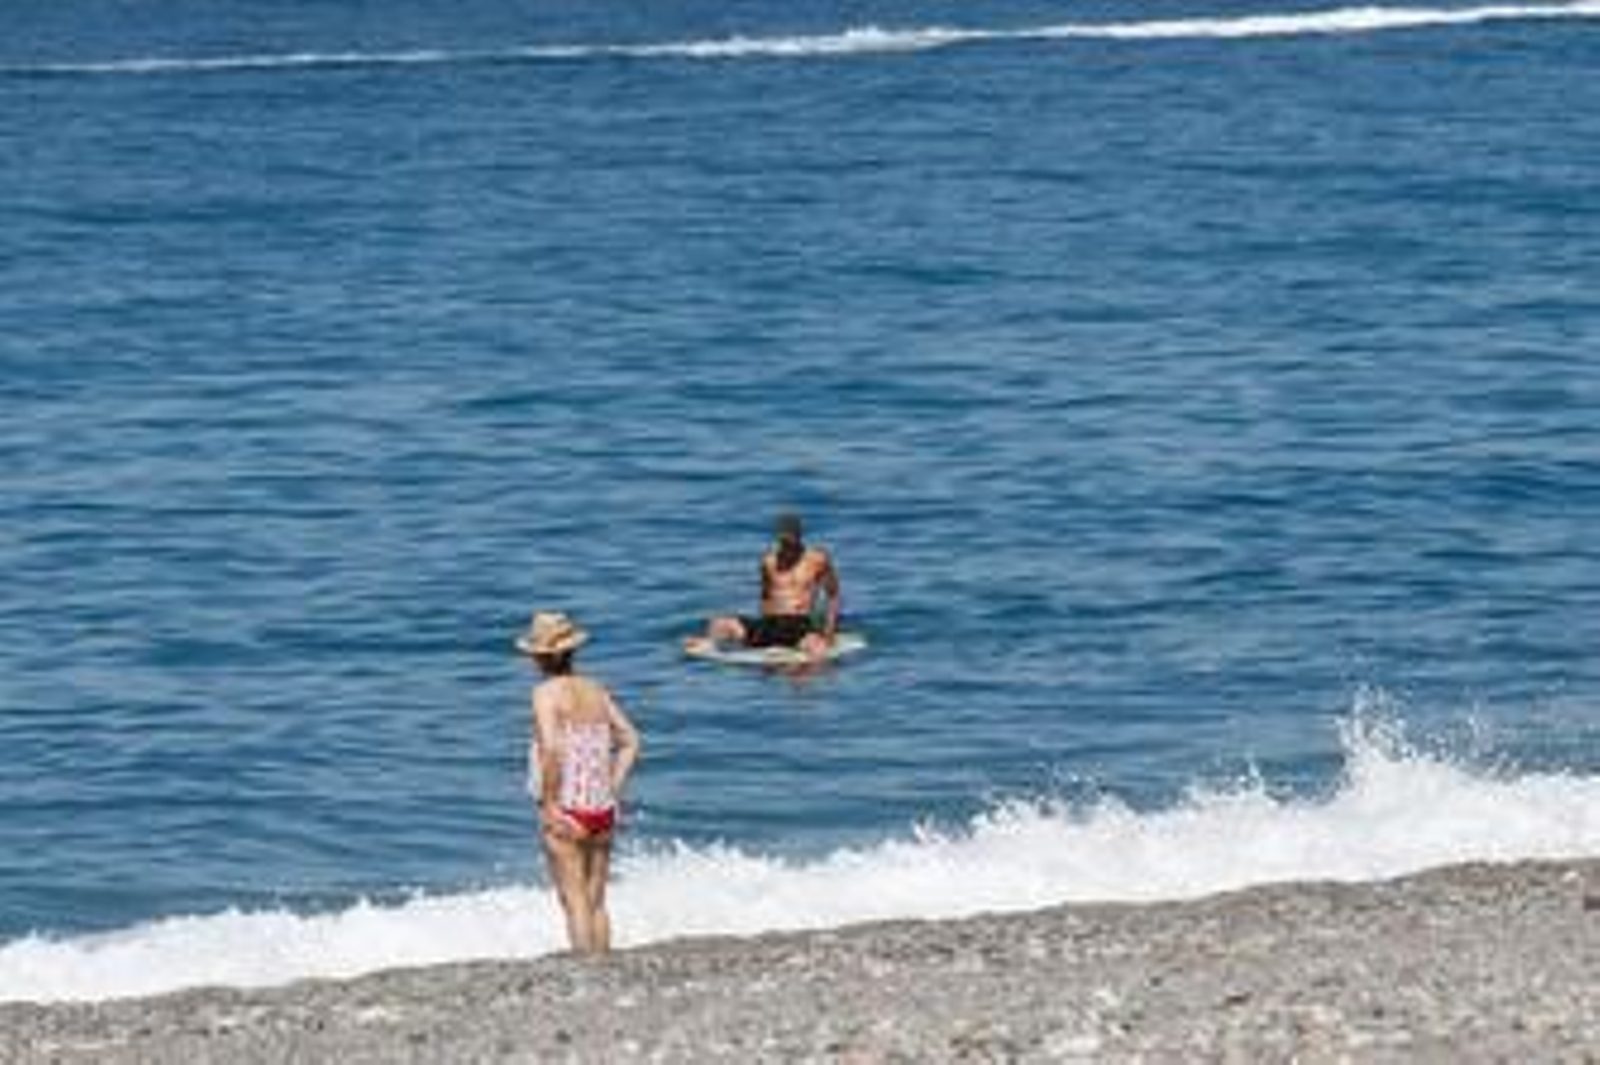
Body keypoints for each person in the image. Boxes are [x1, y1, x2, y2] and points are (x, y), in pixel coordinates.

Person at [517, 611, 640, 956]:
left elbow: (551, 748)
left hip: (568, 807)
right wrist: (613, 788)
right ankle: (604, 964)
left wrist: (550, 802)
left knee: (574, 902)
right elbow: (631, 740)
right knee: (596, 900)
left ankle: (586, 971)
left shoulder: (545, 693)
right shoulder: (595, 689)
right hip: (602, 808)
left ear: (539, 657)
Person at [699, 512, 841, 658]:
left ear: (798, 536)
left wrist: (829, 632)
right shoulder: (768, 561)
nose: (784, 546)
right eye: (782, 541)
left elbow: (833, 596)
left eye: (789, 541)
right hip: (769, 623)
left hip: (798, 626)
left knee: (819, 655)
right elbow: (765, 596)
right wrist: (759, 627)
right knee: (718, 624)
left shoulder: (817, 559)